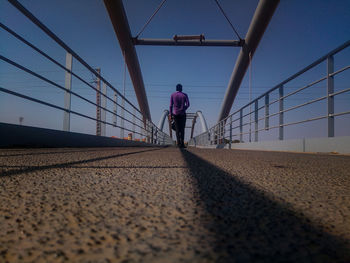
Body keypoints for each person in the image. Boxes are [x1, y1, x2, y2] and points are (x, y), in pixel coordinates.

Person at [169, 84, 190, 148]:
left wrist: (170, 114)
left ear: (176, 88)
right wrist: (184, 109)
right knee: (182, 128)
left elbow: (170, 105)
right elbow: (188, 104)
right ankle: (182, 144)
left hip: (175, 114)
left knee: (177, 129)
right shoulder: (185, 95)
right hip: (183, 114)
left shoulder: (172, 95)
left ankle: (178, 144)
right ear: (181, 88)